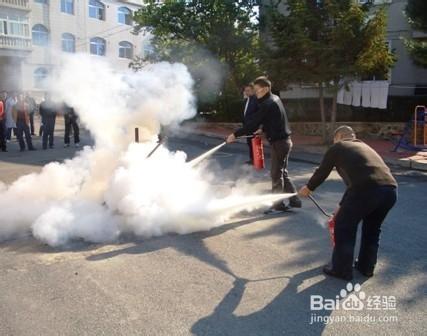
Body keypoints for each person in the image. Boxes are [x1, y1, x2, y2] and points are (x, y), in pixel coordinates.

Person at [298, 126, 397, 281]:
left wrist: (309, 188)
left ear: (338, 137)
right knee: (372, 229)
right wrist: (341, 206)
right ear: (353, 136)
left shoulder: (338, 147)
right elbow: (357, 181)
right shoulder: (364, 147)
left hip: (366, 191)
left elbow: (322, 171)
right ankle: (366, 267)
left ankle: (341, 269)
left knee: (344, 227)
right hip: (389, 191)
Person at [226, 76, 302, 212]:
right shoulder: (275, 99)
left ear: (266, 89)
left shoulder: (268, 103)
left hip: (280, 143)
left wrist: (235, 135)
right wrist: (264, 129)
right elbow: (275, 120)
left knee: (276, 174)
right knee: (282, 172)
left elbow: (253, 123)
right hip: (283, 141)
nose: (255, 93)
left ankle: (278, 205)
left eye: (257, 90)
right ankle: (294, 200)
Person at [242, 83, 258, 164]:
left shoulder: (256, 100)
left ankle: (256, 160)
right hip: (247, 126)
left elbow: (258, 114)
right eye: (245, 91)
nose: (246, 92)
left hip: (253, 126)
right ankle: (252, 159)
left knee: (253, 142)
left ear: (253, 90)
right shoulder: (247, 100)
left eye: (248, 90)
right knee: (249, 142)